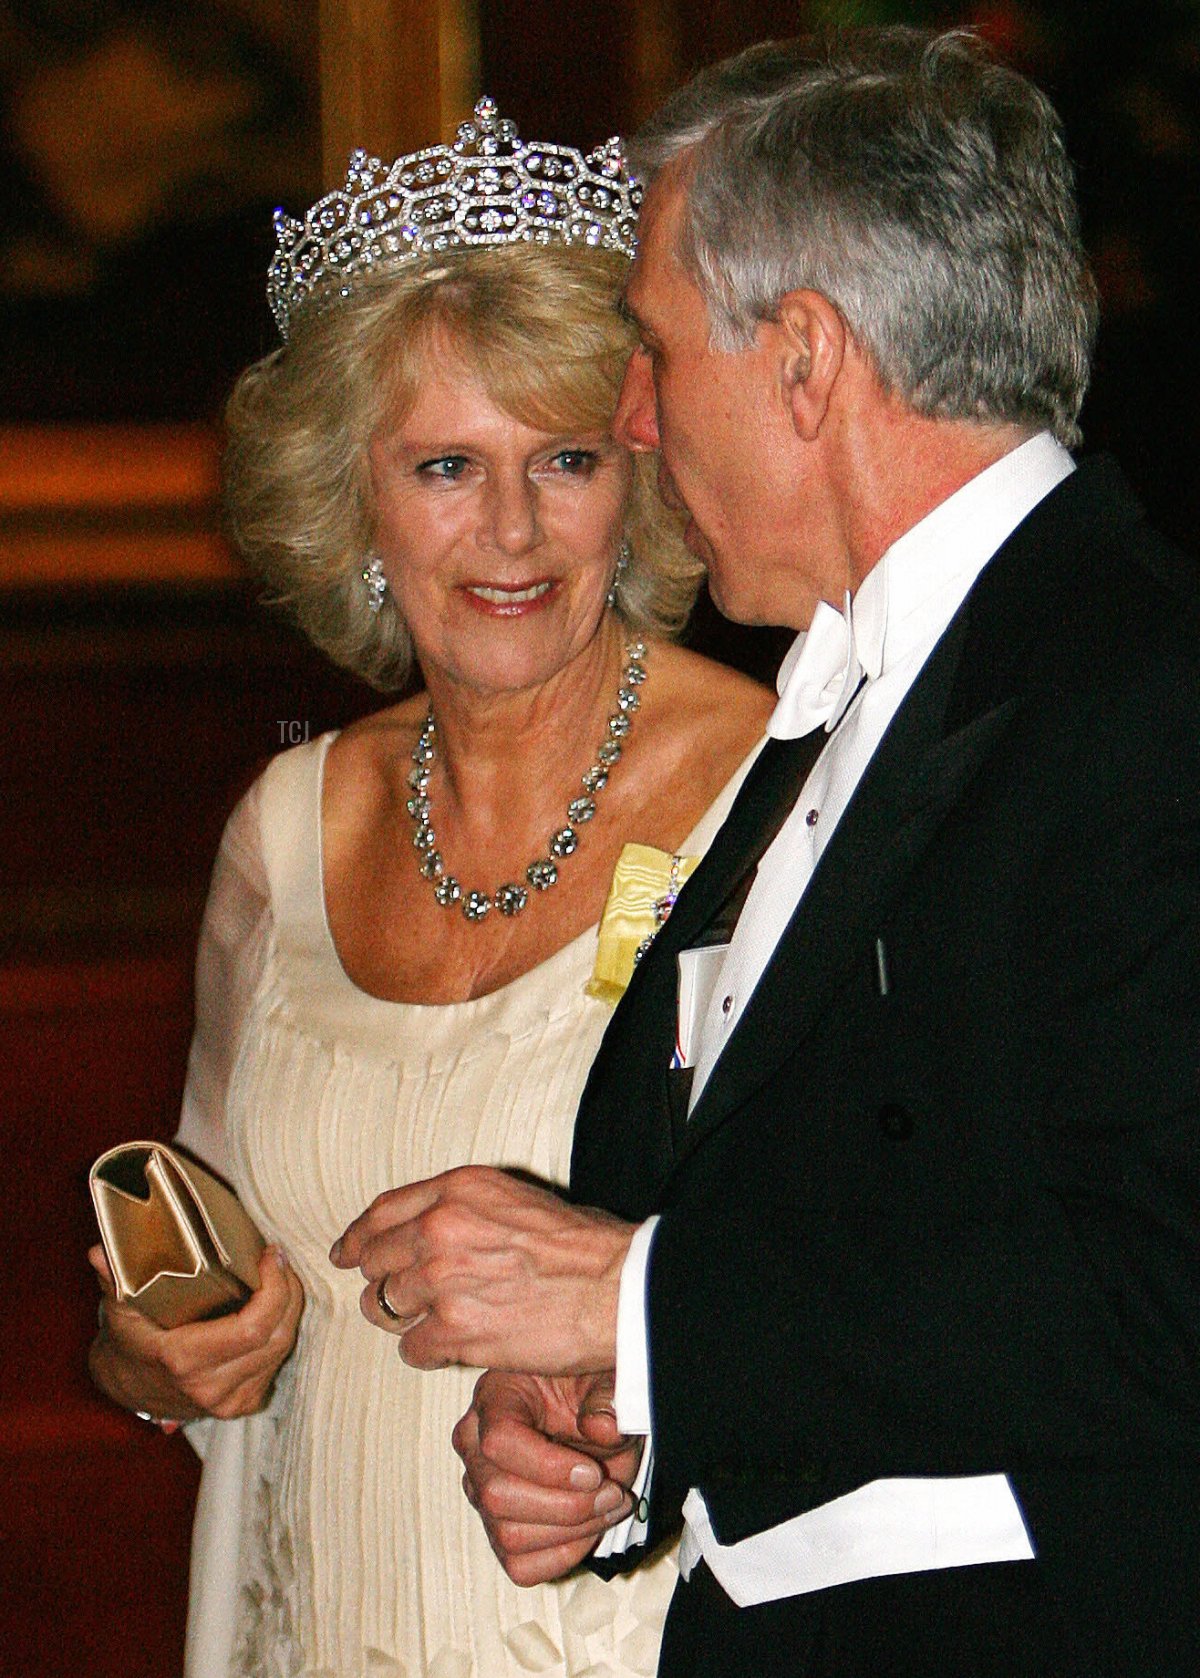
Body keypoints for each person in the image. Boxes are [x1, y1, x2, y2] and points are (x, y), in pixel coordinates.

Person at [329, 30, 1200, 1678]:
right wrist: (619, 1424)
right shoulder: (838, 694)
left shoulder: (1140, 690)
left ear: (804, 361)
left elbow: (1162, 1280)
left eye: (653, 352)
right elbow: (853, 1201)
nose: (638, 423)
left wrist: (642, 1306)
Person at [87, 98, 774, 1678]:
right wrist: (151, 1356)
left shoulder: (770, 789)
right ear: (355, 497)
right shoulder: (285, 825)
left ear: (646, 472)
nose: (514, 531)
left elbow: (871, 1281)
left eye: (570, 459)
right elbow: (196, 1285)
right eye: (449, 465)